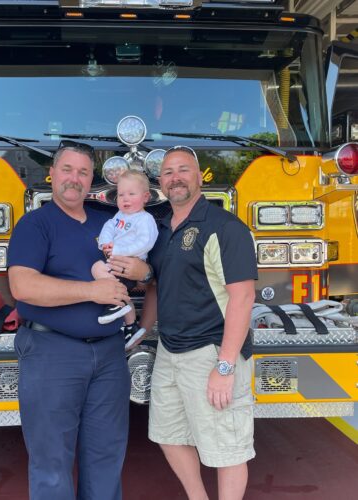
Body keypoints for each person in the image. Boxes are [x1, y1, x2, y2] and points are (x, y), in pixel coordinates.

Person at [109, 146, 257, 500]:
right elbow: (157, 284)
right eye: (168, 172)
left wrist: (224, 366)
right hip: (170, 350)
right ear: (160, 183)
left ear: (199, 176)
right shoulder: (161, 230)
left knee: (227, 447)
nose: (175, 178)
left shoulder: (225, 227)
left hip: (211, 351)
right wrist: (143, 329)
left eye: (183, 170)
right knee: (168, 435)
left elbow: (243, 298)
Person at [7, 140, 131, 500]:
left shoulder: (108, 223)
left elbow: (139, 268)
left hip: (109, 355)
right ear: (52, 174)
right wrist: (92, 291)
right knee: (51, 463)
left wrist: (142, 273)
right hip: (51, 353)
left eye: (83, 172)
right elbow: (23, 286)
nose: (74, 178)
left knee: (106, 457)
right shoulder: (35, 225)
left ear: (92, 179)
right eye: (67, 169)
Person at [92, 170, 158, 350]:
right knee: (100, 270)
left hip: (129, 266)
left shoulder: (145, 219)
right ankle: (131, 327)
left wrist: (118, 249)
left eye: (131, 194)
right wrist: (105, 243)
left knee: (98, 269)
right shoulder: (119, 217)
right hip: (115, 260)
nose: (125, 199)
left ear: (145, 197)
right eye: (121, 195)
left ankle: (114, 304)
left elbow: (145, 243)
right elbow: (108, 228)